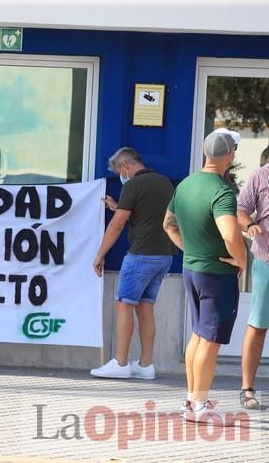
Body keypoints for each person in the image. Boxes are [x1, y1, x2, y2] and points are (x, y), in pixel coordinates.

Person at [163, 129, 246, 422]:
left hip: (192, 269)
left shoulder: (185, 184)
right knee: (210, 341)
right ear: (230, 156)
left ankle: (191, 400)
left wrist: (191, 249)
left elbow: (168, 225)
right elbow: (230, 233)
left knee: (198, 335)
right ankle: (198, 405)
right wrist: (241, 259)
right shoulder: (221, 191)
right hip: (216, 274)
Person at [90, 147, 176, 380]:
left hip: (141, 255)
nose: (121, 175)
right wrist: (117, 205)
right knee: (145, 306)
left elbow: (117, 225)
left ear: (125, 166)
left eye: (120, 170)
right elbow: (149, 214)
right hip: (165, 254)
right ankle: (146, 365)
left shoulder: (133, 185)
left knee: (124, 304)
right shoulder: (164, 183)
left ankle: (120, 363)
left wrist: (100, 254)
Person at [235, 144, 269, 410]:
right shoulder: (260, 176)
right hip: (266, 260)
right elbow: (241, 209)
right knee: (258, 325)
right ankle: (247, 389)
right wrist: (249, 225)